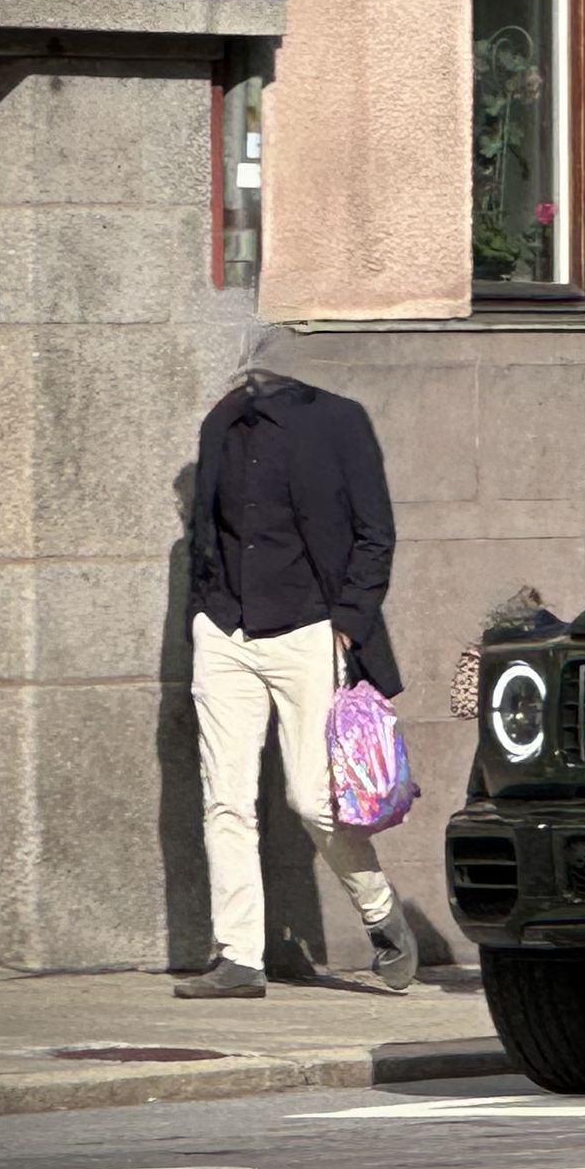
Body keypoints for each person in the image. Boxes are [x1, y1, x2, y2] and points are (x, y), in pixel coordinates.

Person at [177, 362, 418, 999]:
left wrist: (348, 622)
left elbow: (376, 532)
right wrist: (204, 612)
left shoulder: (339, 421)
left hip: (309, 631)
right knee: (225, 799)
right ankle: (239, 958)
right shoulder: (220, 423)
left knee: (312, 798)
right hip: (226, 631)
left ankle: (377, 908)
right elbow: (206, 528)